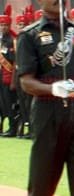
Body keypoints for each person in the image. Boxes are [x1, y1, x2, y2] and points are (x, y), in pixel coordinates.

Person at [18, 0, 74, 196]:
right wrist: (52, 89)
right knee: (43, 179)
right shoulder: (29, 35)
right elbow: (26, 82)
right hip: (49, 112)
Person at [11, 5, 34, 139]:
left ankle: (32, 129)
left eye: (23, 24)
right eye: (19, 24)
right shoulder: (18, 38)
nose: (21, 26)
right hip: (20, 75)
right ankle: (27, 128)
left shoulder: (30, 38)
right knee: (24, 105)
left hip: (30, 75)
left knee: (31, 104)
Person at [0, 4, 19, 138]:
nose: (3, 27)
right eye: (1, 25)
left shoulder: (12, 41)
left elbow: (15, 63)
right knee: (2, 105)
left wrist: (13, 81)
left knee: (10, 105)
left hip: (8, 79)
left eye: (5, 25)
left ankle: (13, 129)